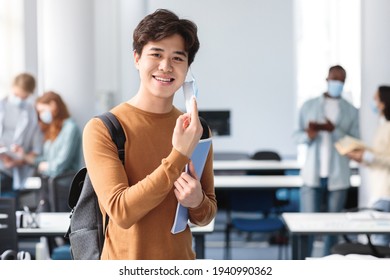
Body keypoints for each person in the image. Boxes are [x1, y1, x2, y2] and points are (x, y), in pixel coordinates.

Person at [82, 9, 216, 260]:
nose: (166, 67)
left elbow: (206, 215)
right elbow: (122, 212)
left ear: (187, 68)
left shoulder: (197, 128)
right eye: (156, 54)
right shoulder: (104, 128)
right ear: (137, 58)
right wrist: (180, 154)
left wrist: (197, 201)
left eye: (178, 58)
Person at [293, 65, 360, 256]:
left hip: (338, 176)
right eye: (334, 78)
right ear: (327, 79)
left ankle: (329, 265)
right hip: (312, 175)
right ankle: (303, 264)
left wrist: (335, 130)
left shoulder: (351, 111)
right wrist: (310, 135)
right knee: (307, 226)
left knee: (334, 227)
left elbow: (355, 142)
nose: (336, 82)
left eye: (341, 80)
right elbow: (296, 135)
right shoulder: (309, 105)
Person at [16, 91, 81, 211]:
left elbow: (60, 164)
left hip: (63, 188)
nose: (41, 115)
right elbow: (45, 160)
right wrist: (24, 156)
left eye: (42, 111)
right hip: (49, 187)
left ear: (53, 105)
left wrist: (45, 166)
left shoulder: (71, 128)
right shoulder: (53, 130)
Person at [346, 85, 390, 246]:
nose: (373, 102)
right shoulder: (382, 126)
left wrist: (367, 155)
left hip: (386, 193)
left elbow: (385, 158)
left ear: (383, 103)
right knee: (380, 241)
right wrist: (362, 157)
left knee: (380, 242)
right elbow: (379, 154)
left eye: (375, 99)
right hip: (379, 189)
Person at [0, 73, 43, 199]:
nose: (19, 99)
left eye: (23, 97)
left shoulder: (31, 113)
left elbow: (36, 147)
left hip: (14, 173)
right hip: (1, 166)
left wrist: (19, 161)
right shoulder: (2, 106)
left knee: (9, 209)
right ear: (12, 88)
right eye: (16, 95)